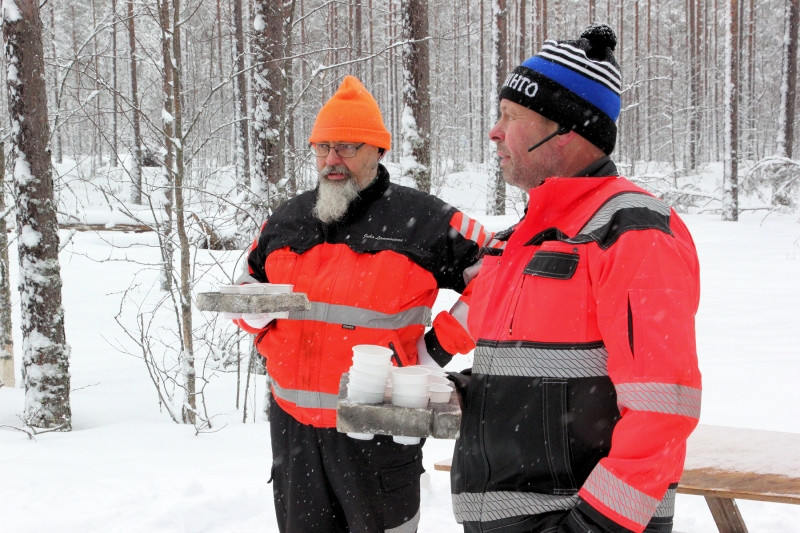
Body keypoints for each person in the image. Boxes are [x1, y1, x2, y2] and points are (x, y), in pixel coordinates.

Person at [449, 24, 702, 533]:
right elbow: (544, 375)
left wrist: (593, 527)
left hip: (577, 521)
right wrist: (457, 394)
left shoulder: (631, 230)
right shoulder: (527, 235)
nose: (494, 132)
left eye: (510, 117)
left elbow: (663, 408)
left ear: (566, 128)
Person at [236, 75, 501, 533]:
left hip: (379, 426)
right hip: (294, 432)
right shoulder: (287, 219)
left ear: (378, 150)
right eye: (322, 147)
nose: (331, 161)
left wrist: (434, 350)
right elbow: (247, 281)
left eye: (347, 147)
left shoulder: (423, 220)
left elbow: (502, 272)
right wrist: (255, 322)